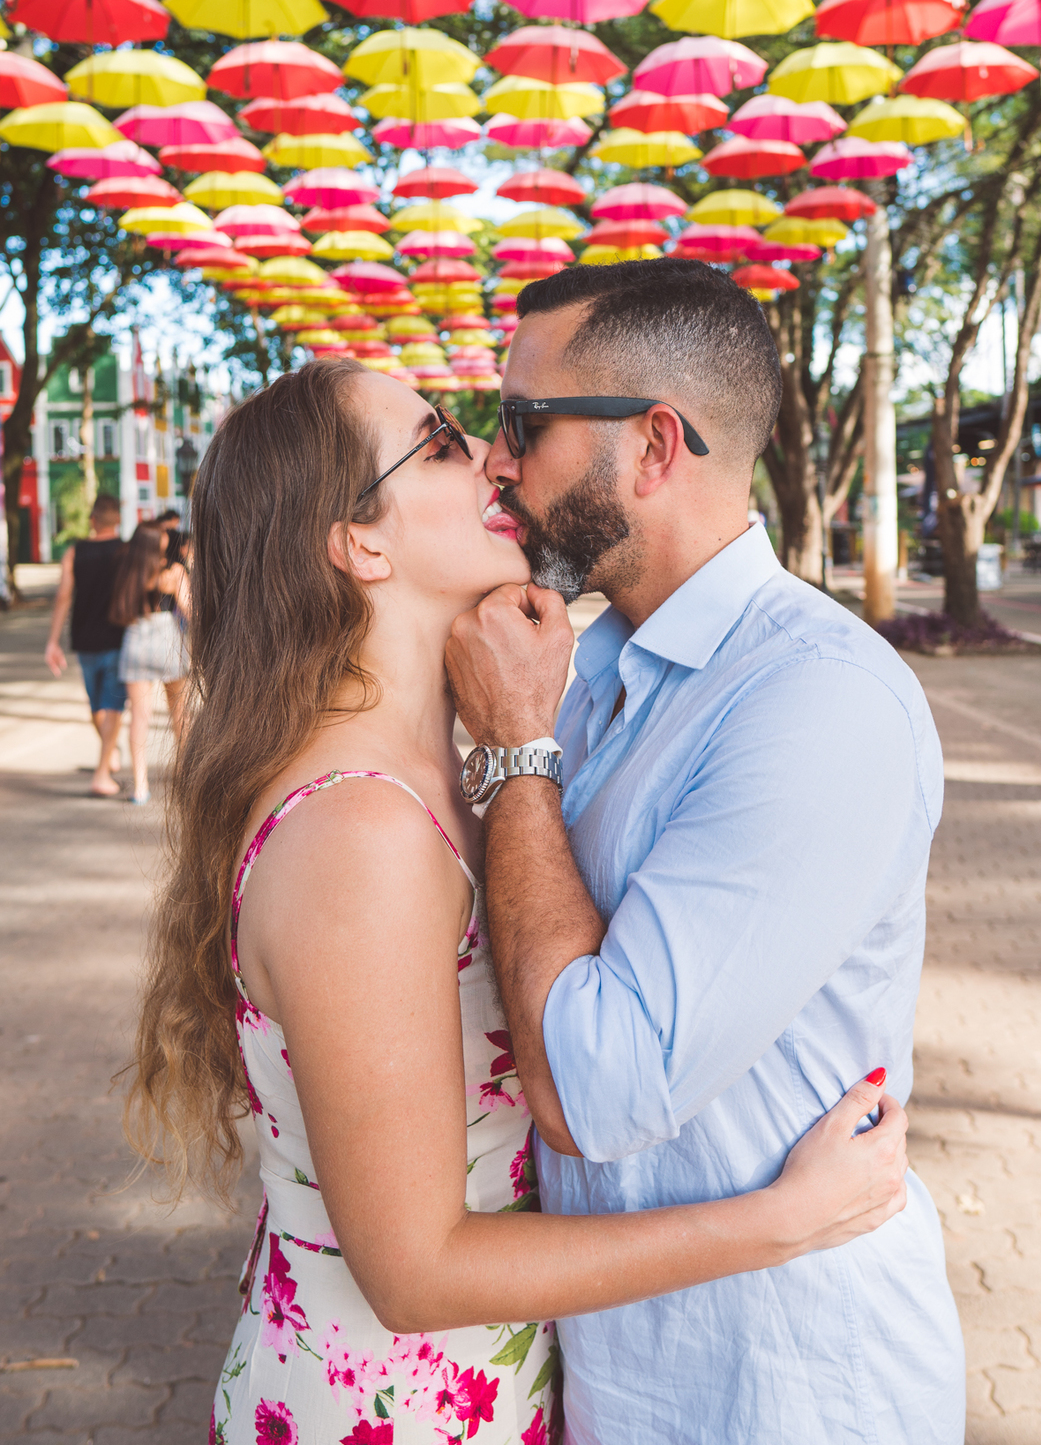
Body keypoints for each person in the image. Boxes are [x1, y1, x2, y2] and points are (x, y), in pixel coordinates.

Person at [124, 359, 909, 1445]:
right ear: (360, 542)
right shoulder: (366, 835)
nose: (495, 461)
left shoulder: (435, 775)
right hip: (390, 1406)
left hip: (450, 1389)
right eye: (443, 443)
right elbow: (416, 1269)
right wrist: (781, 1220)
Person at [445, 260, 967, 1445]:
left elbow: (594, 1086)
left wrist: (516, 750)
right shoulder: (589, 674)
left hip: (783, 1386)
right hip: (622, 1365)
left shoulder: (813, 702)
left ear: (653, 445)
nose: (494, 458)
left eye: (523, 421)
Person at [44, 491, 127, 797]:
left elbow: (64, 596)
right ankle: (106, 763)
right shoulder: (126, 551)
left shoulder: (74, 552)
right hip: (118, 637)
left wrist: (53, 641)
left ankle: (106, 763)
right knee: (110, 707)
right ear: (117, 519)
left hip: (85, 639)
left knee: (99, 705)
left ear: (93, 520)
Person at [110, 520, 189, 804]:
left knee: (139, 717)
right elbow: (190, 610)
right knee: (179, 713)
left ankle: (140, 785)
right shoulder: (173, 573)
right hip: (167, 638)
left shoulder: (127, 570)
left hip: (135, 638)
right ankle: (185, 777)